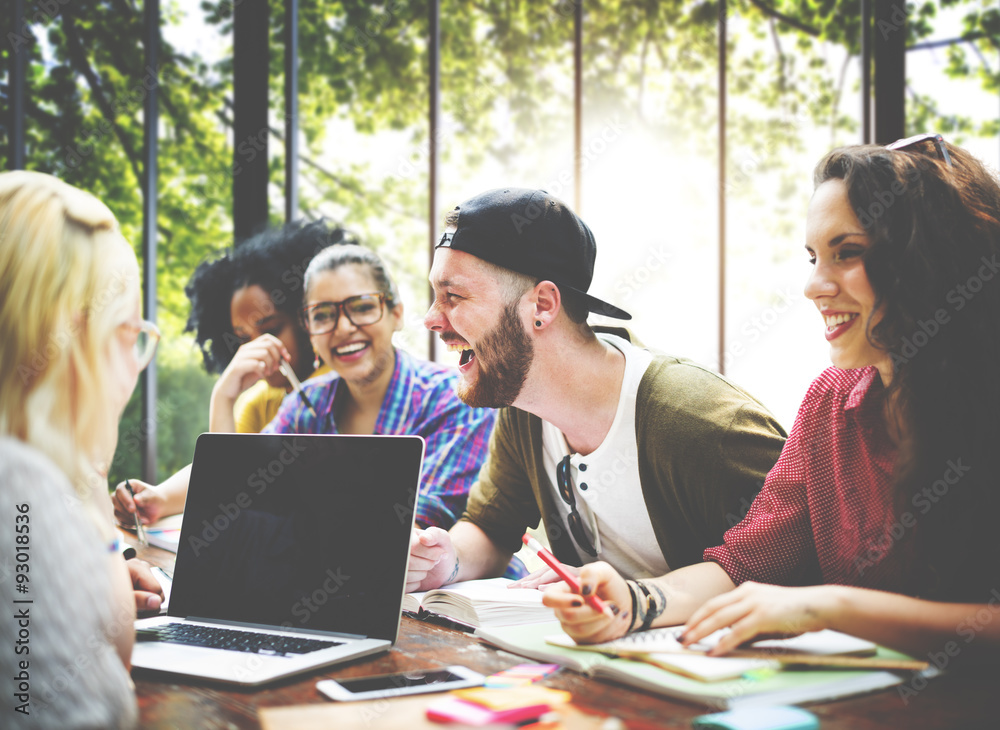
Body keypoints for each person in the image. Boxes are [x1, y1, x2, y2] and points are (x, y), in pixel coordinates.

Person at [544, 136, 1000, 663]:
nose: (813, 285)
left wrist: (832, 607)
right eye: (813, 257)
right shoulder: (832, 403)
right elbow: (744, 563)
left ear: (931, 258)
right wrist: (632, 601)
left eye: (846, 253)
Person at [406, 187, 787, 594]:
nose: (431, 319)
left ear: (543, 305)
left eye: (454, 296)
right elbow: (490, 528)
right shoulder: (523, 406)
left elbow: (792, 568)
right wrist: (448, 561)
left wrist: (631, 595)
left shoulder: (702, 425)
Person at [0, 171, 156, 727]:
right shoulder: (19, 489)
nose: (134, 367)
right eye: (130, 333)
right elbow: (102, 700)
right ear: (72, 342)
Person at [112, 220, 348, 523]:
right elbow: (226, 474)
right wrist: (158, 498)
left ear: (307, 318)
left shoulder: (341, 385)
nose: (256, 347)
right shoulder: (258, 402)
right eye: (242, 338)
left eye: (271, 329)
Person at [261, 244, 499, 534]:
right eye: (322, 315)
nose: (344, 327)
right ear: (309, 330)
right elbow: (235, 488)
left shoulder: (454, 400)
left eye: (361, 308)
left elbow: (407, 530)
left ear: (396, 313)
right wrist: (225, 395)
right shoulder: (305, 405)